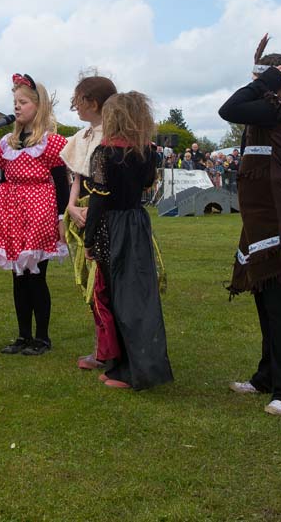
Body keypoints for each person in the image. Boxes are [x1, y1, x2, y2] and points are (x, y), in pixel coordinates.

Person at [219, 35, 281, 416]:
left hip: (276, 213)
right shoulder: (269, 109)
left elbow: (229, 107)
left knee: (279, 304)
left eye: (264, 79)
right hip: (257, 214)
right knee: (264, 298)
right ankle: (267, 376)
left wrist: (265, 79)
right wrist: (263, 78)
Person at [0, 73, 68, 356]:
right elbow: (2, 182)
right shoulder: (6, 144)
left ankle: (42, 338)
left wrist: (61, 218)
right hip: (13, 213)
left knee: (36, 276)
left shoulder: (52, 143)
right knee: (18, 276)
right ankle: (23, 335)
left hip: (39, 212)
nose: (17, 107)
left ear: (38, 106)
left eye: (23, 102)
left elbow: (61, 183)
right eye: (15, 102)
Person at [84, 91, 173, 390]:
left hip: (113, 227)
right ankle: (128, 365)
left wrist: (88, 240)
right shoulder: (147, 151)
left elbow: (97, 202)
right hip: (137, 223)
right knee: (138, 294)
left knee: (118, 297)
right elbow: (147, 184)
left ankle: (127, 370)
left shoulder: (104, 153)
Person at [59, 74, 117, 370]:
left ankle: (111, 350)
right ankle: (102, 346)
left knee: (104, 285)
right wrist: (70, 206)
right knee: (90, 284)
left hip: (106, 219)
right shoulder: (81, 138)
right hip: (82, 215)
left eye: (79, 100)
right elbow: (77, 179)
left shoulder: (115, 135)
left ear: (92, 102)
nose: (75, 106)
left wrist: (91, 210)